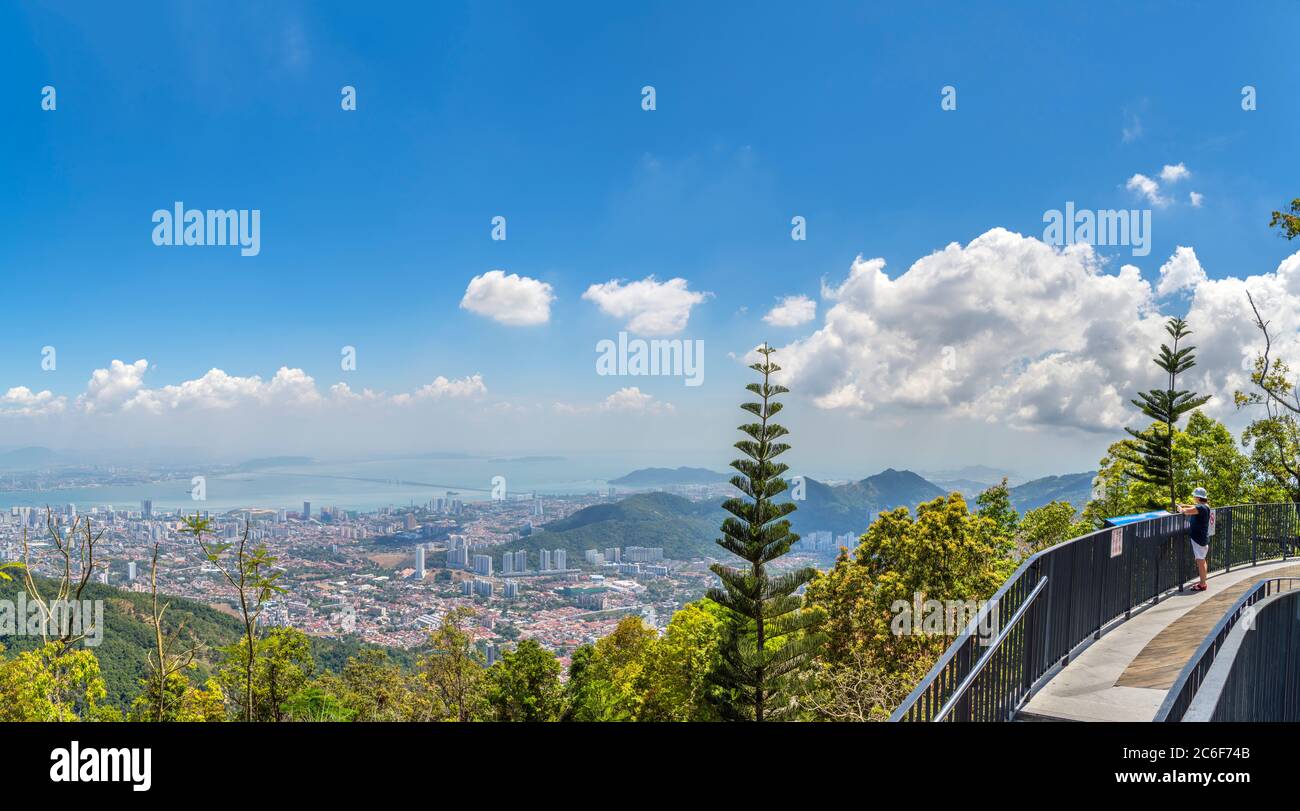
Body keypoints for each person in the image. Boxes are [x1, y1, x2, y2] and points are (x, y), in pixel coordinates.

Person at [1178, 487, 1212, 592]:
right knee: (1202, 560)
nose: (1193, 497)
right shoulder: (1205, 506)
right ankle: (1203, 581)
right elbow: (1194, 507)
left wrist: (1180, 508)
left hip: (1199, 539)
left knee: (1200, 561)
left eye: (1194, 496)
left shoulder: (1200, 508)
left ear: (1198, 497)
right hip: (1202, 538)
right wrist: (1184, 504)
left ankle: (1202, 584)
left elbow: (1185, 512)